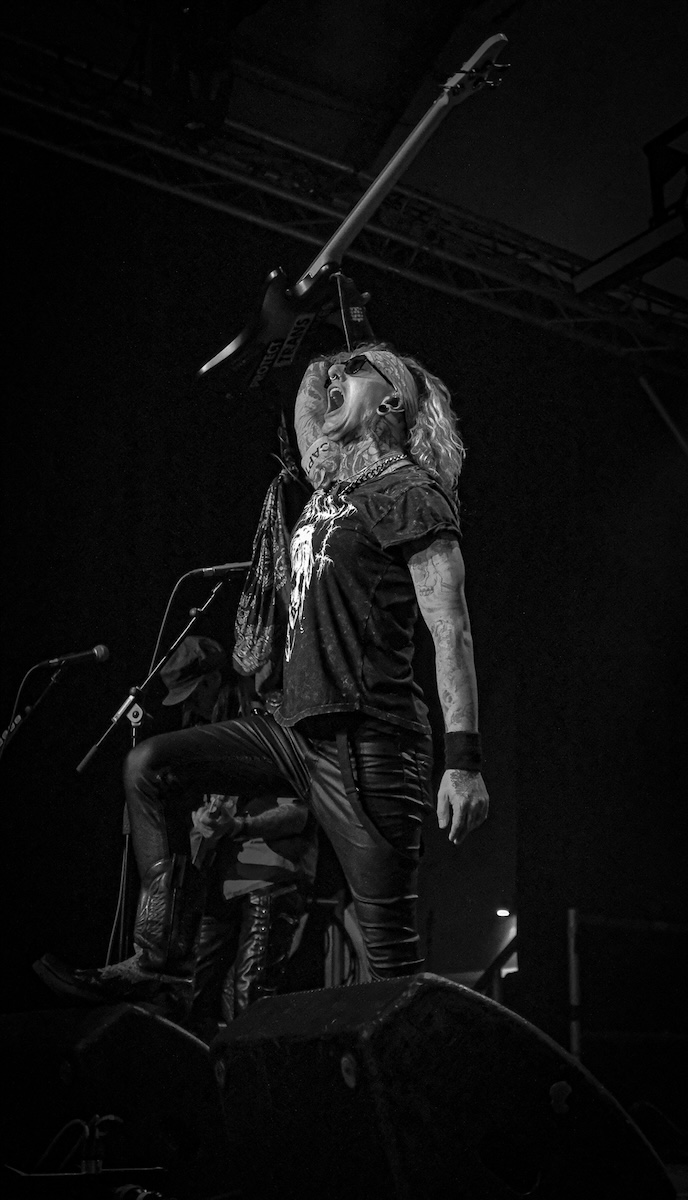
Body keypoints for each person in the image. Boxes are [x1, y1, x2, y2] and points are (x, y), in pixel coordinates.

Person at [34, 342, 489, 1022]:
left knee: (392, 967)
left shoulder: (411, 495)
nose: (337, 378)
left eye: (356, 374)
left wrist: (464, 763)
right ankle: (159, 960)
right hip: (293, 731)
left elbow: (450, 629)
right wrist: (321, 345)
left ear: (392, 400)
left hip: (371, 744)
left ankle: (418, 1075)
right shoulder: (333, 481)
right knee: (150, 765)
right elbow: (311, 400)